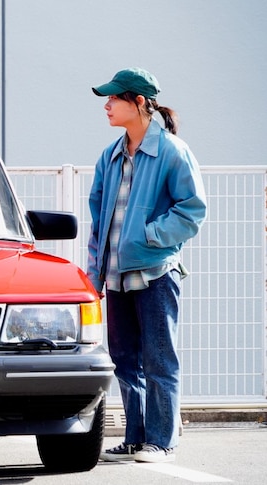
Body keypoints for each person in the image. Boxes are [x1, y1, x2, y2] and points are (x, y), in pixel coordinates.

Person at [87, 68, 207, 464]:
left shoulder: (172, 150)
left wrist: (148, 236)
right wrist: (96, 272)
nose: (106, 105)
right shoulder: (110, 154)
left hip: (156, 273)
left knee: (159, 358)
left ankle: (163, 440)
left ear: (138, 102)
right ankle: (136, 437)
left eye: (113, 98)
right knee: (124, 359)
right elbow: (98, 218)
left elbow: (192, 211)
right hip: (118, 276)